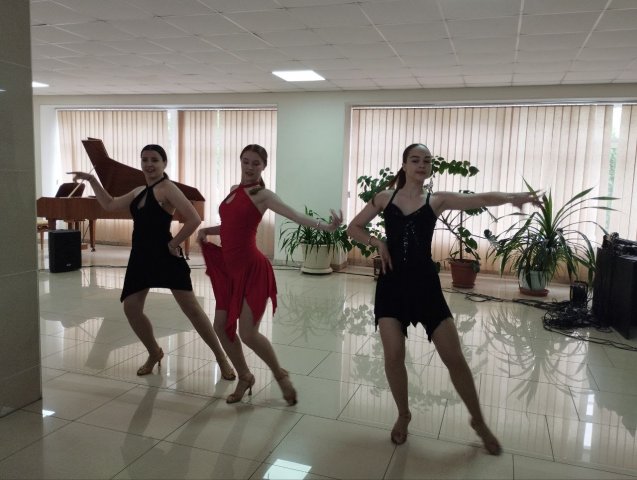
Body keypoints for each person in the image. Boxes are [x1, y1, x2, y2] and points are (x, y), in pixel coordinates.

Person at [347, 143, 541, 454]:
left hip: (425, 286)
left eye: (426, 161)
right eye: (415, 160)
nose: (421, 165)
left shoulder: (436, 200)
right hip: (391, 284)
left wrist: (513, 198)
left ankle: (478, 420)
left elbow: (480, 199)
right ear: (404, 165)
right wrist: (377, 242)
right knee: (393, 356)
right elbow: (353, 227)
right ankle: (403, 414)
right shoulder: (385, 198)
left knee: (454, 358)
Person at [71, 144, 236, 380]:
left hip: (165, 256)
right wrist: (91, 180)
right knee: (131, 308)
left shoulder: (167, 188)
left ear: (164, 163)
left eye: (154, 160)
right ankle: (154, 352)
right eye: (145, 159)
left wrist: (174, 244)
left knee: (192, 310)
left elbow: (193, 219)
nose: (149, 164)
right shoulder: (139, 190)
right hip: (140, 256)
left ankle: (221, 358)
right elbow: (109, 204)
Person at [197, 144, 342, 406]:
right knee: (221, 326)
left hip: (253, 271)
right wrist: (207, 230)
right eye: (246, 161)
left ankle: (280, 375)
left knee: (248, 334)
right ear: (240, 162)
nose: (250, 167)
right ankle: (245, 376)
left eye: (256, 163)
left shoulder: (262, 195)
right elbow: (230, 226)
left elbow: (294, 215)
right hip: (231, 273)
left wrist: (327, 227)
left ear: (264, 166)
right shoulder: (234, 190)